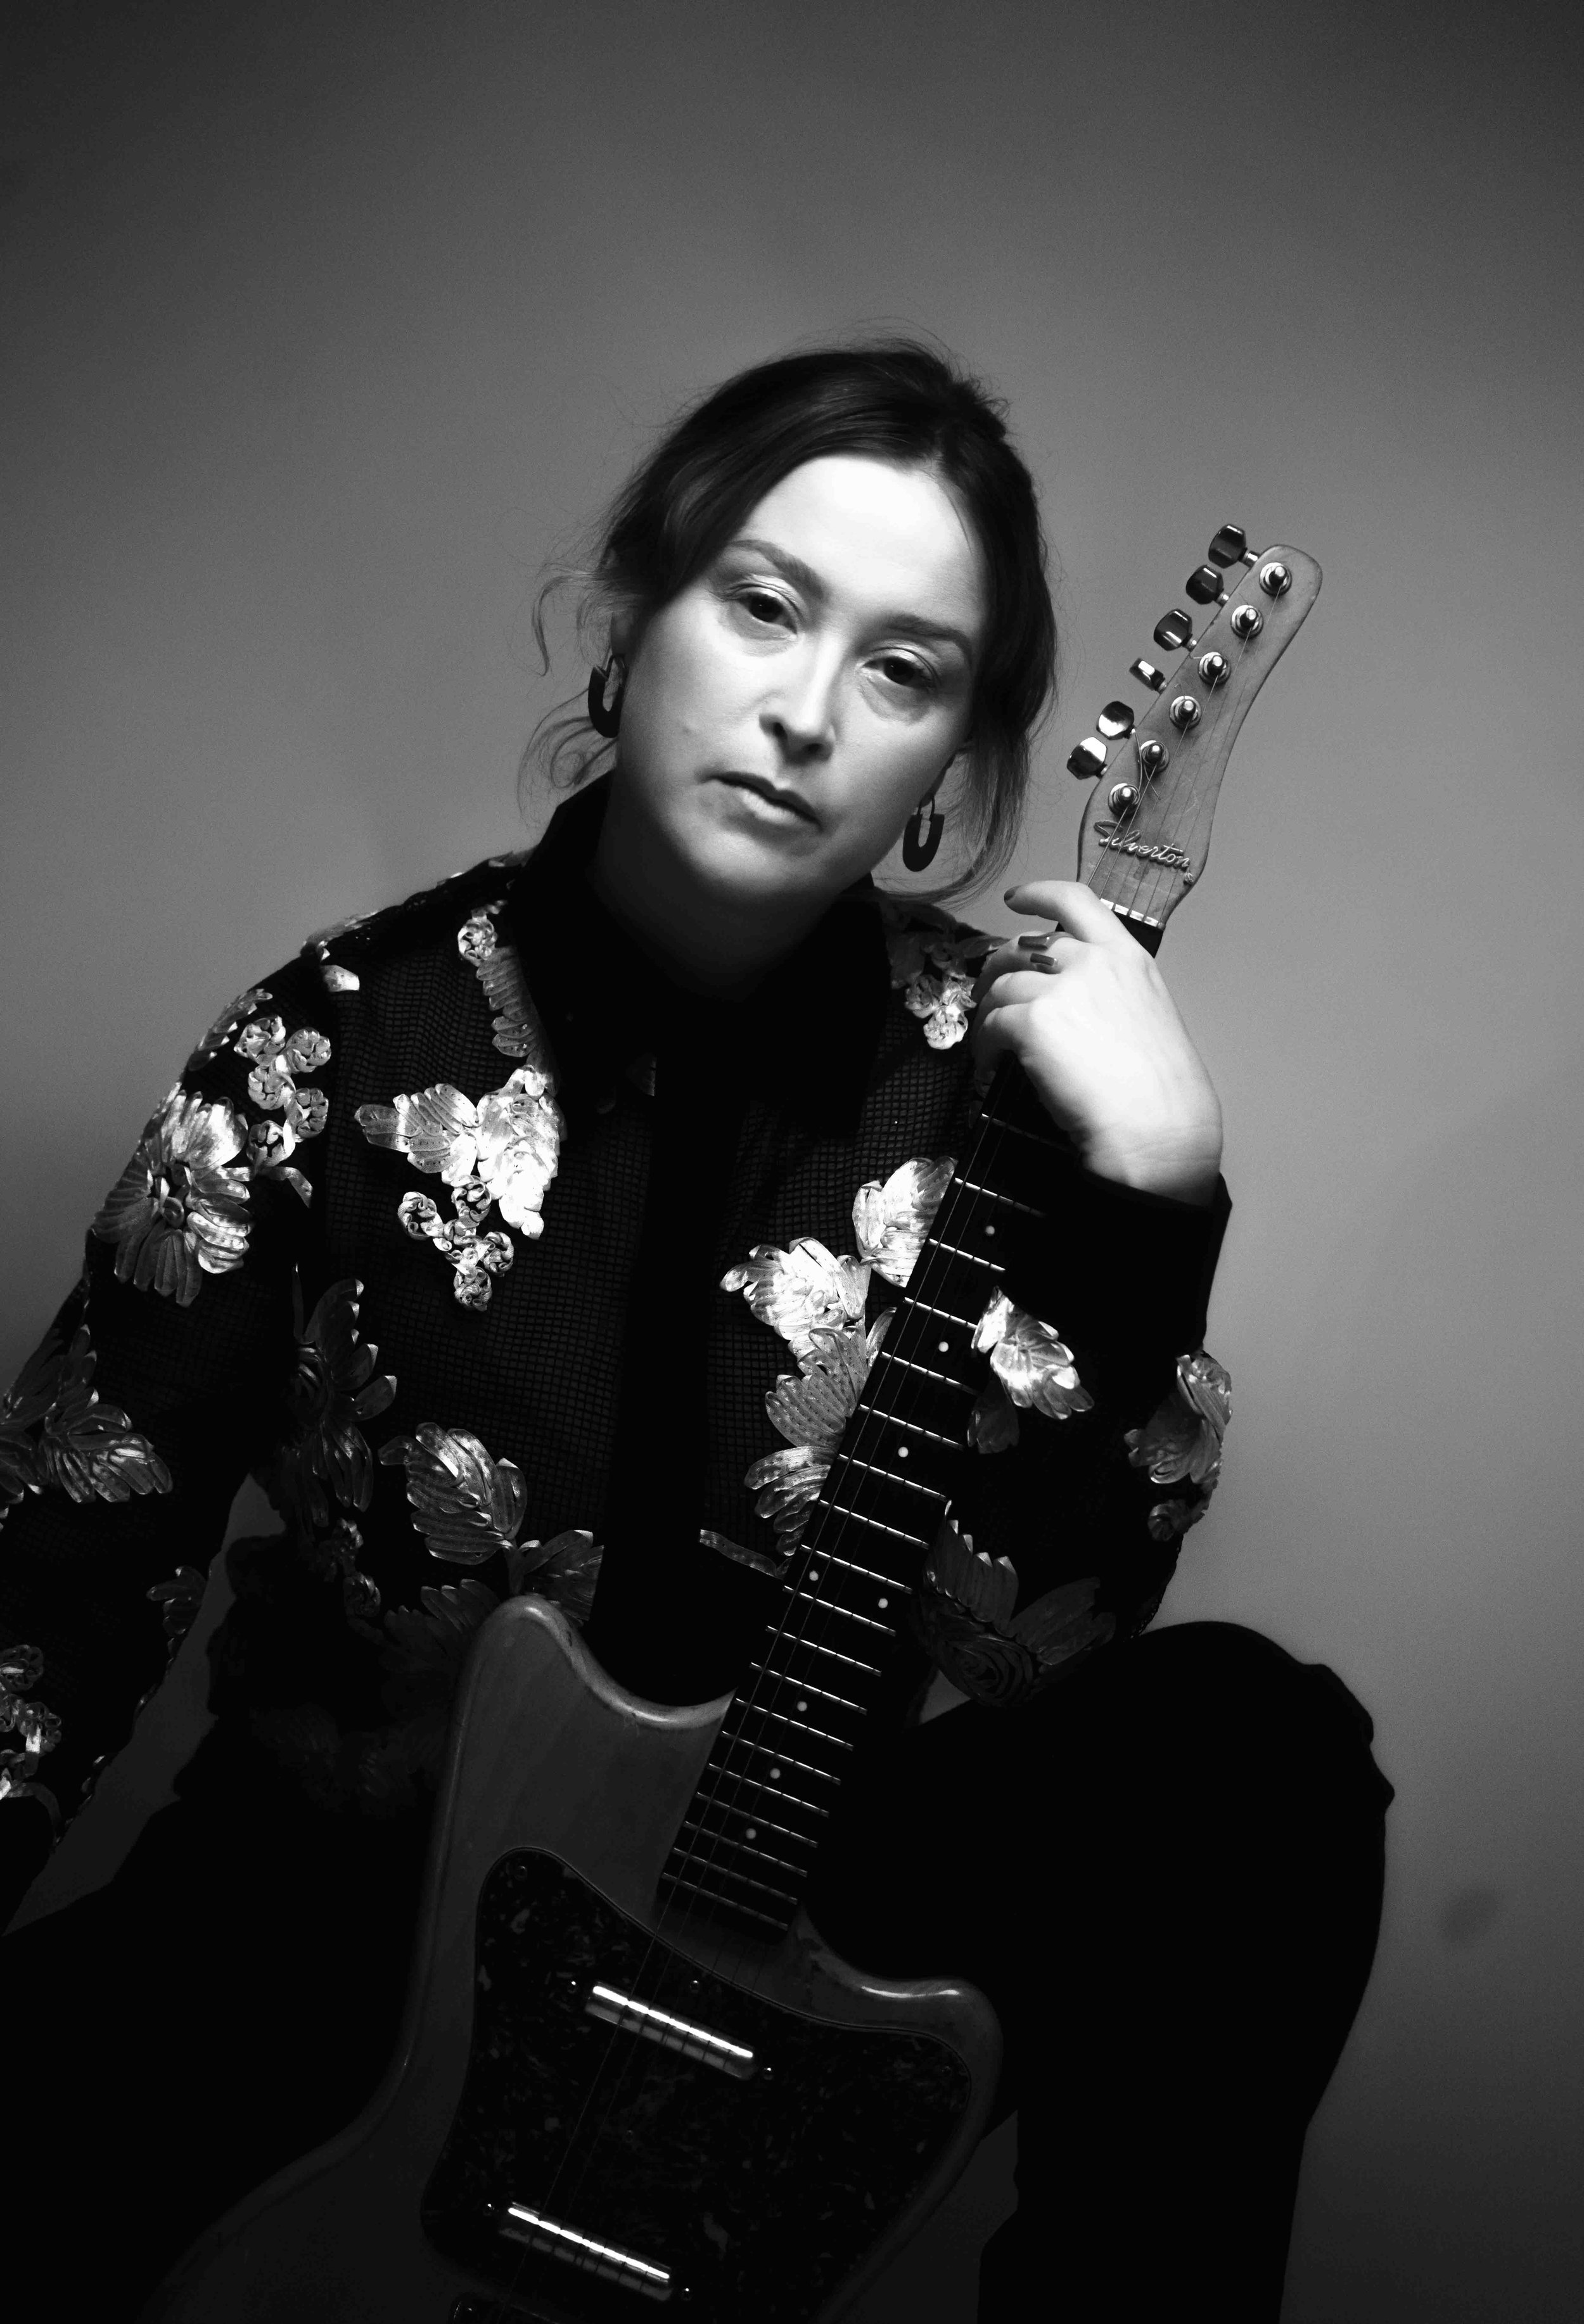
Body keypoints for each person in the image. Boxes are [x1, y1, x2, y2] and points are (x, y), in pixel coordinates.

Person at [0, 341, 1390, 2318]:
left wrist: (1156, 1204)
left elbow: (1045, 1640)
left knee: (1254, 1756)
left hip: (782, 1898)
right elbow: (49, 1592)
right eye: (760, 605)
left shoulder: (1006, 1094)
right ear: (634, 613)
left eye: (902, 672)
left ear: (960, 761)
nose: (807, 712)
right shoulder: (337, 1040)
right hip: (345, 1918)